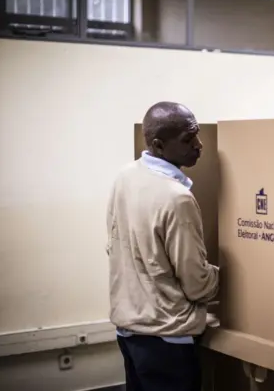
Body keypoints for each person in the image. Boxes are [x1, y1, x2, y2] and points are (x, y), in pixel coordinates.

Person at [105, 101, 219, 391]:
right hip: (166, 338)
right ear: (158, 145)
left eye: (196, 133)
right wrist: (230, 275)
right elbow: (196, 283)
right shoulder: (177, 198)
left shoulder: (125, 176)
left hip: (129, 330)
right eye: (188, 139)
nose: (199, 144)